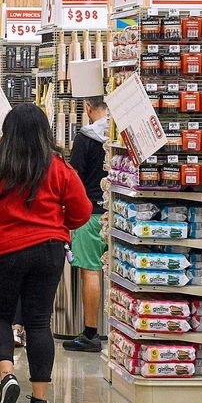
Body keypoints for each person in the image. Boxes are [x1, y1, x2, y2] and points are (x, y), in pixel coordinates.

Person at [0, 104, 91, 403]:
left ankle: (7, 375)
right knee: (39, 323)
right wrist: (58, 222)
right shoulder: (58, 167)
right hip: (49, 250)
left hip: (4, 250)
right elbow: (82, 211)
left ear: (7, 131)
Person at [63, 97, 110, 354]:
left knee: (89, 271)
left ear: (88, 108)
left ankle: (90, 333)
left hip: (89, 213)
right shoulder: (118, 133)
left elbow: (74, 176)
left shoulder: (85, 138)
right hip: (115, 213)